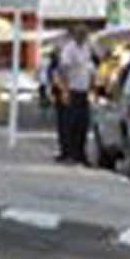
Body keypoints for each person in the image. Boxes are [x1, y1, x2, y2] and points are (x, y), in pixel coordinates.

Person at [49, 21, 98, 165]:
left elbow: (90, 70)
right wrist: (65, 91)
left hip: (83, 90)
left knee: (82, 124)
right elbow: (63, 70)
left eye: (85, 34)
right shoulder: (69, 49)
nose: (83, 36)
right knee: (69, 124)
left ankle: (80, 153)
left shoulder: (87, 48)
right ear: (75, 35)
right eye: (80, 34)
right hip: (71, 90)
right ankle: (68, 153)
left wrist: (92, 88)